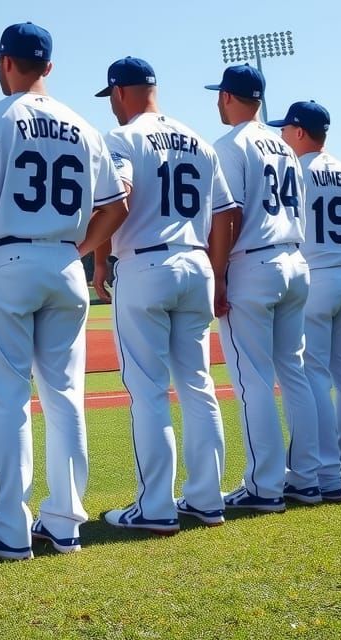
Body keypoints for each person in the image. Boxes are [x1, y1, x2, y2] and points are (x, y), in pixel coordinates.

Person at [0, 23, 127, 559]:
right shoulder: (83, 125)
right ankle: (66, 523)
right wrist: (81, 248)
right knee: (66, 397)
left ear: (4, 62)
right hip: (64, 262)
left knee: (8, 398)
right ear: (47, 66)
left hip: (8, 259)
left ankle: (8, 528)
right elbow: (115, 206)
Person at [91, 57, 237, 534]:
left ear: (119, 92)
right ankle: (208, 499)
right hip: (196, 262)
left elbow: (121, 198)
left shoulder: (123, 137)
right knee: (198, 384)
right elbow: (224, 217)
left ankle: (155, 507)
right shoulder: (197, 139)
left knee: (149, 389)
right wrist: (216, 273)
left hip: (146, 263)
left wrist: (91, 252)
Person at [207, 64, 320, 511]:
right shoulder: (286, 148)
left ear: (231, 97)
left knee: (253, 380)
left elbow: (228, 214)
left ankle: (264, 486)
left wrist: (216, 273)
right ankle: (309, 477)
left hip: (253, 263)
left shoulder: (231, 145)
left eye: (220, 95)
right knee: (294, 374)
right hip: (295, 259)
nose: (218, 101)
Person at [269, 100, 341, 502]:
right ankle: (338, 467)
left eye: (285, 129)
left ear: (300, 132)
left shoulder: (296, 170)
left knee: (312, 374)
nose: (282, 135)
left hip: (315, 277)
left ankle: (325, 474)